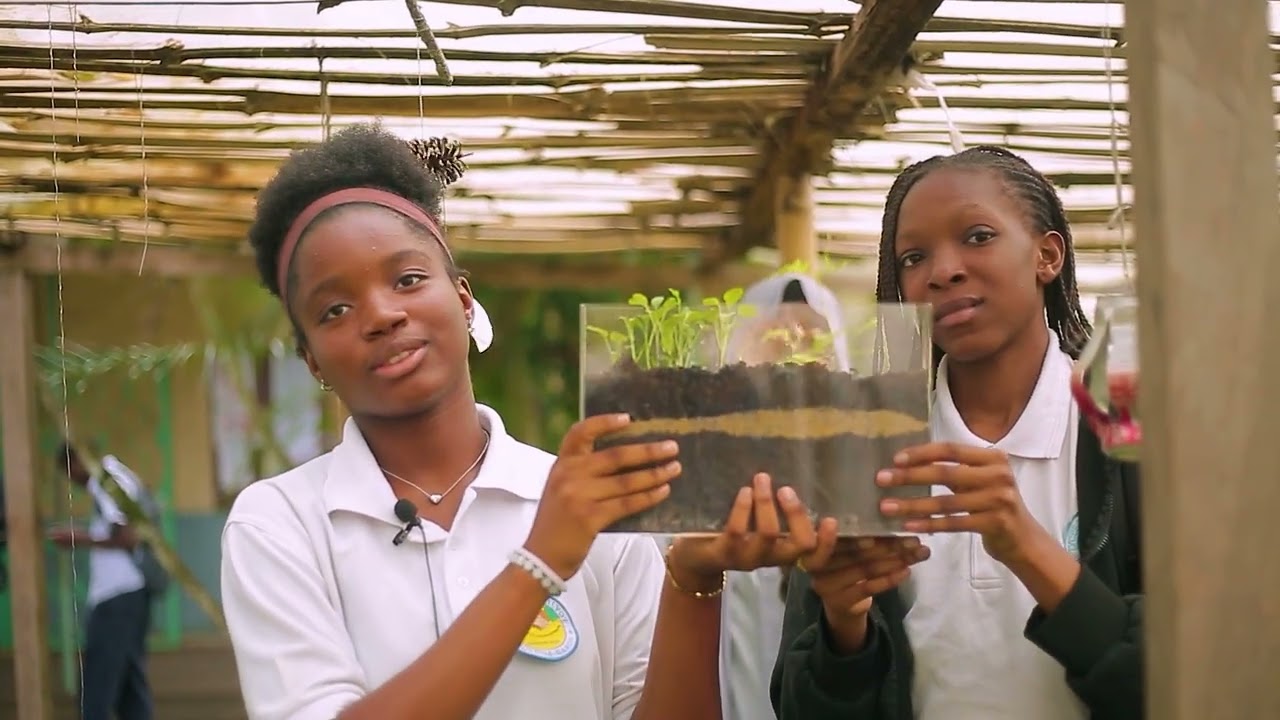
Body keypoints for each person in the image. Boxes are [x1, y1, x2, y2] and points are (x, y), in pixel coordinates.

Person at [220, 123, 834, 720]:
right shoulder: (279, 524)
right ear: (311, 359)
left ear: (463, 300)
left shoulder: (591, 505)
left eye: (408, 279)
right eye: (334, 309)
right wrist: (539, 562)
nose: (381, 314)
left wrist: (693, 578)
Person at [770, 146, 1143, 720]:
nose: (942, 271)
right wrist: (845, 628)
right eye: (914, 257)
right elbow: (801, 707)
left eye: (977, 236)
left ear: (1047, 255)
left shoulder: (1131, 440)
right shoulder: (861, 456)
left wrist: (1027, 546)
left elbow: (1189, 677)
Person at [718, 271, 849, 720]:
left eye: (811, 337)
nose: (793, 349)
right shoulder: (705, 470)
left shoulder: (858, 473)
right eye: (775, 335)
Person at [49, 443, 166, 720]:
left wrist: (78, 538)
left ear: (77, 462)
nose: (71, 480)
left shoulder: (107, 480)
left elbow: (128, 537)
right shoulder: (114, 478)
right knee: (130, 694)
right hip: (130, 596)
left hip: (117, 599)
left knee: (95, 695)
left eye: (68, 472)